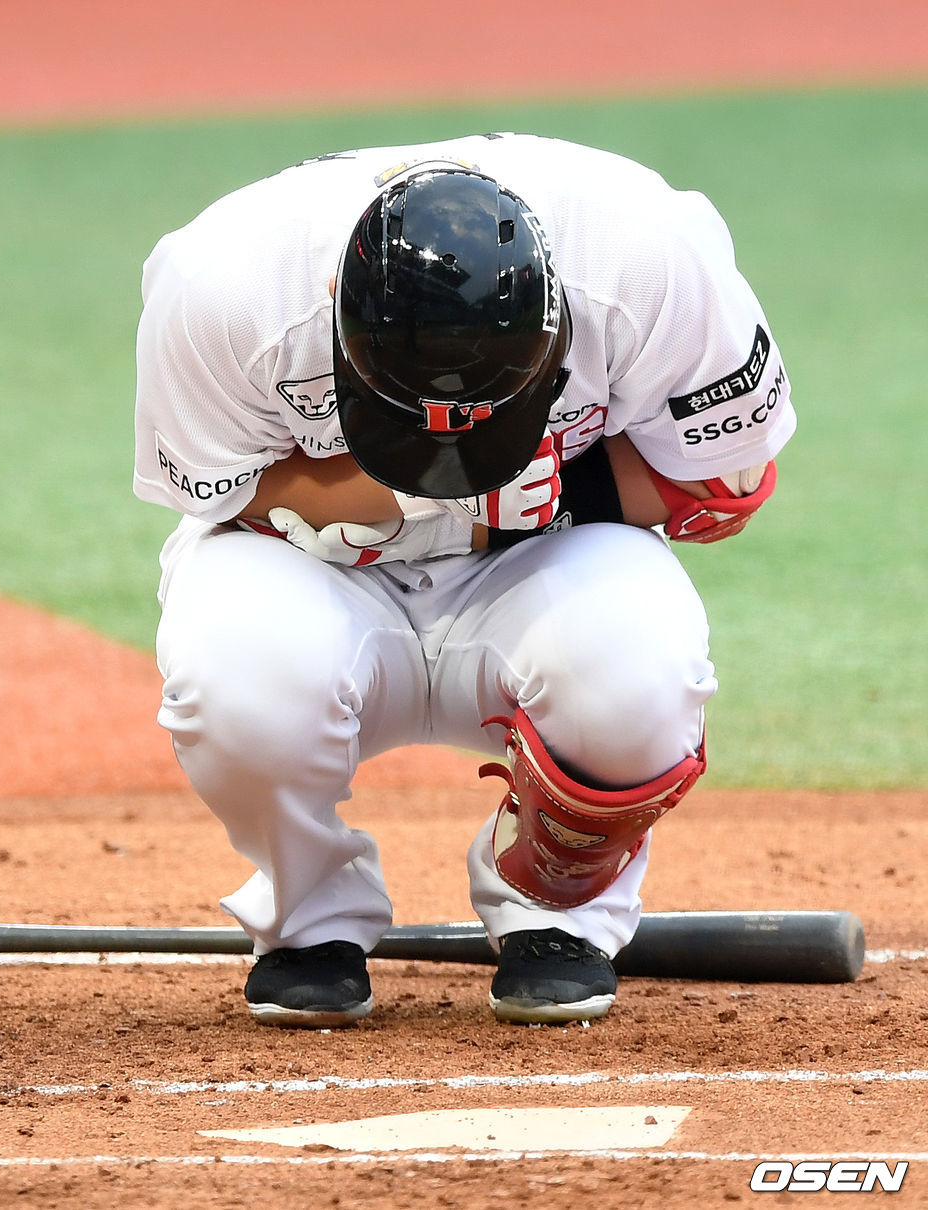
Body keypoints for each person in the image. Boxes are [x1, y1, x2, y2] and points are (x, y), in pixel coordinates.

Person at [133, 133, 795, 1028]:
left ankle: (558, 909)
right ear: (335, 310)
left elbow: (728, 483)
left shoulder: (648, 266)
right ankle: (309, 919)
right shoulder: (225, 288)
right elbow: (225, 493)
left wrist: (547, 502)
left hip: (543, 564)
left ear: (561, 322)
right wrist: (451, 505)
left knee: (641, 672)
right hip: (316, 570)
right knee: (236, 674)